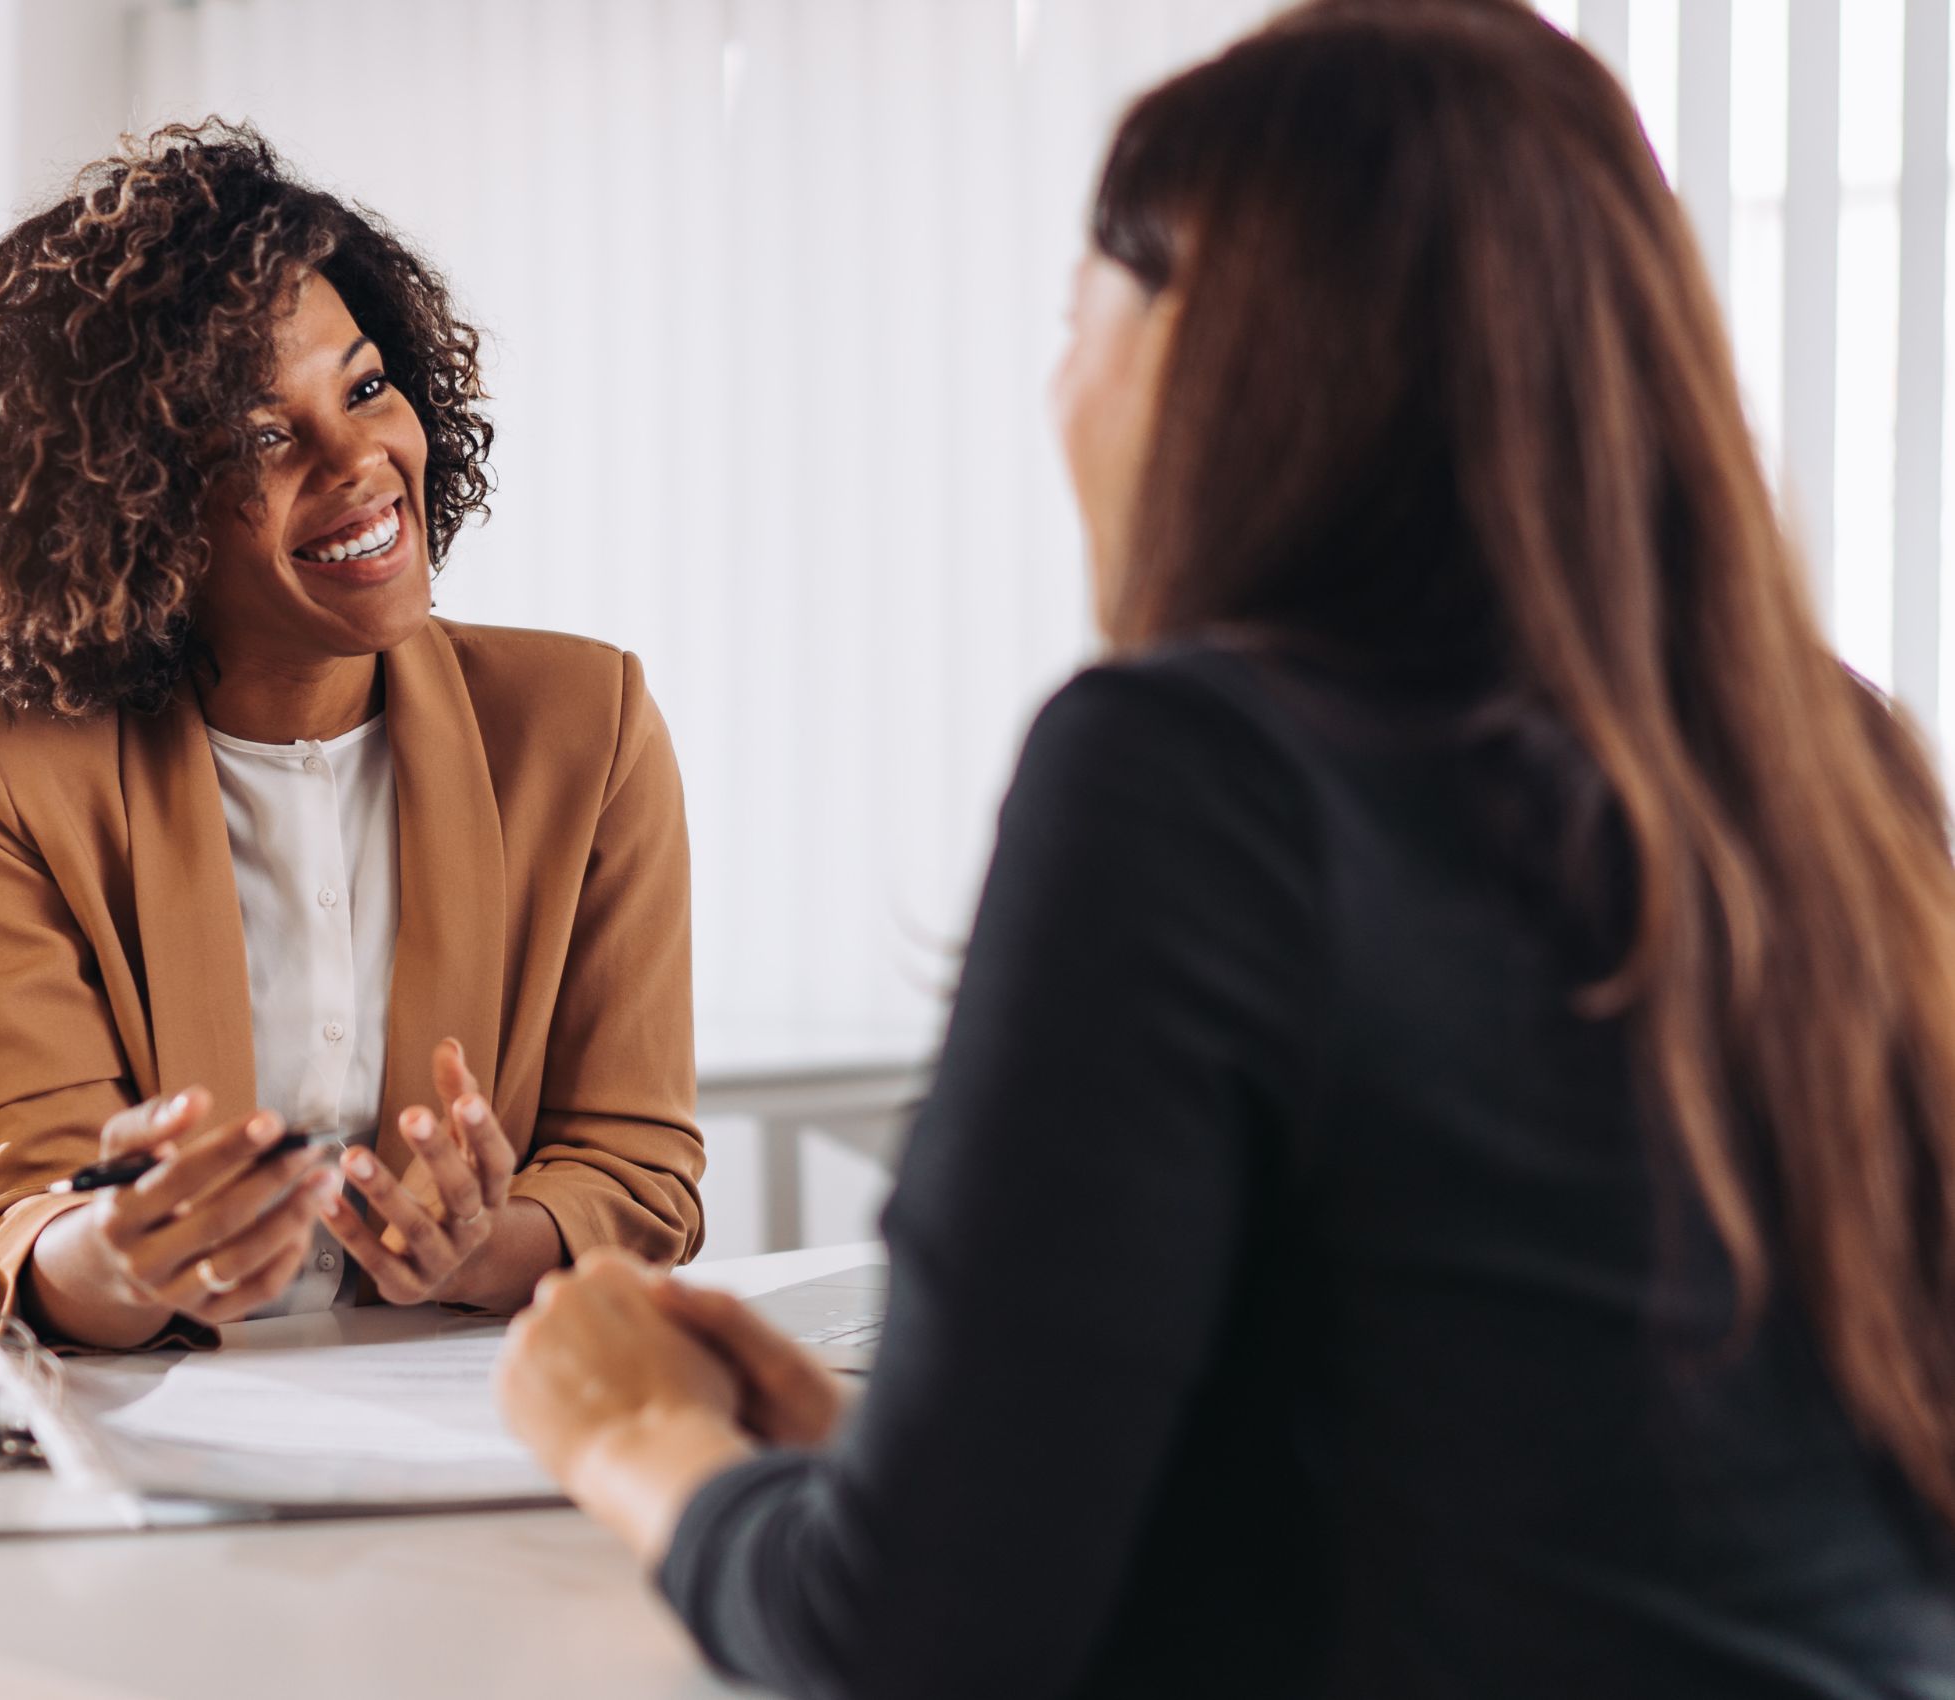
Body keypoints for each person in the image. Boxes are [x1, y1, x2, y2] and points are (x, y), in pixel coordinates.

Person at [494, 3, 1955, 1694]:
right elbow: (1536, 1506)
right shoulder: (1832, 766)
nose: (1058, 388)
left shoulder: (1191, 772)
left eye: (1076, 319)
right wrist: (896, 1474)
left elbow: (909, 1654)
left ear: (1213, 346)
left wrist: (636, 1439)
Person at [0, 122, 704, 1351]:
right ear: (132, 507)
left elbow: (639, 1172)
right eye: (262, 435)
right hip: (154, 1422)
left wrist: (479, 1244)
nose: (359, 461)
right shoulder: (3, 756)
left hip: (469, 1414)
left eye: (364, 388)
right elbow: (20, 1218)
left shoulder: (584, 723)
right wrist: (127, 1249)